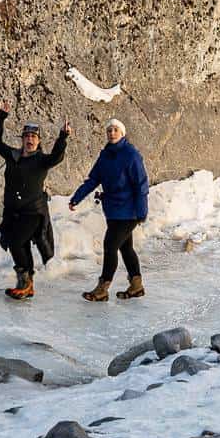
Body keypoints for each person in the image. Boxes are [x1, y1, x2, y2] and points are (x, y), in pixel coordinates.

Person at [0, 101, 70, 300]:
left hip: (33, 212)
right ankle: (27, 284)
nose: (30, 140)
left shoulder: (42, 160)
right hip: (12, 212)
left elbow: (57, 157)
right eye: (27, 136)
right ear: (23, 139)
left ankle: (25, 282)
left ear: (38, 141)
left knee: (17, 243)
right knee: (18, 244)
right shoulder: (13, 156)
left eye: (34, 137)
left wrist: (63, 136)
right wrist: (1, 116)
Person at [69, 119, 149, 302]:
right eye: (109, 130)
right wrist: (77, 197)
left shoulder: (131, 155)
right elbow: (93, 179)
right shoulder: (105, 156)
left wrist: (142, 211)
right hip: (112, 210)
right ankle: (136, 286)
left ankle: (103, 288)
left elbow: (141, 184)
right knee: (126, 247)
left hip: (130, 211)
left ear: (122, 133)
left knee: (110, 245)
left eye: (115, 130)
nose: (112, 133)